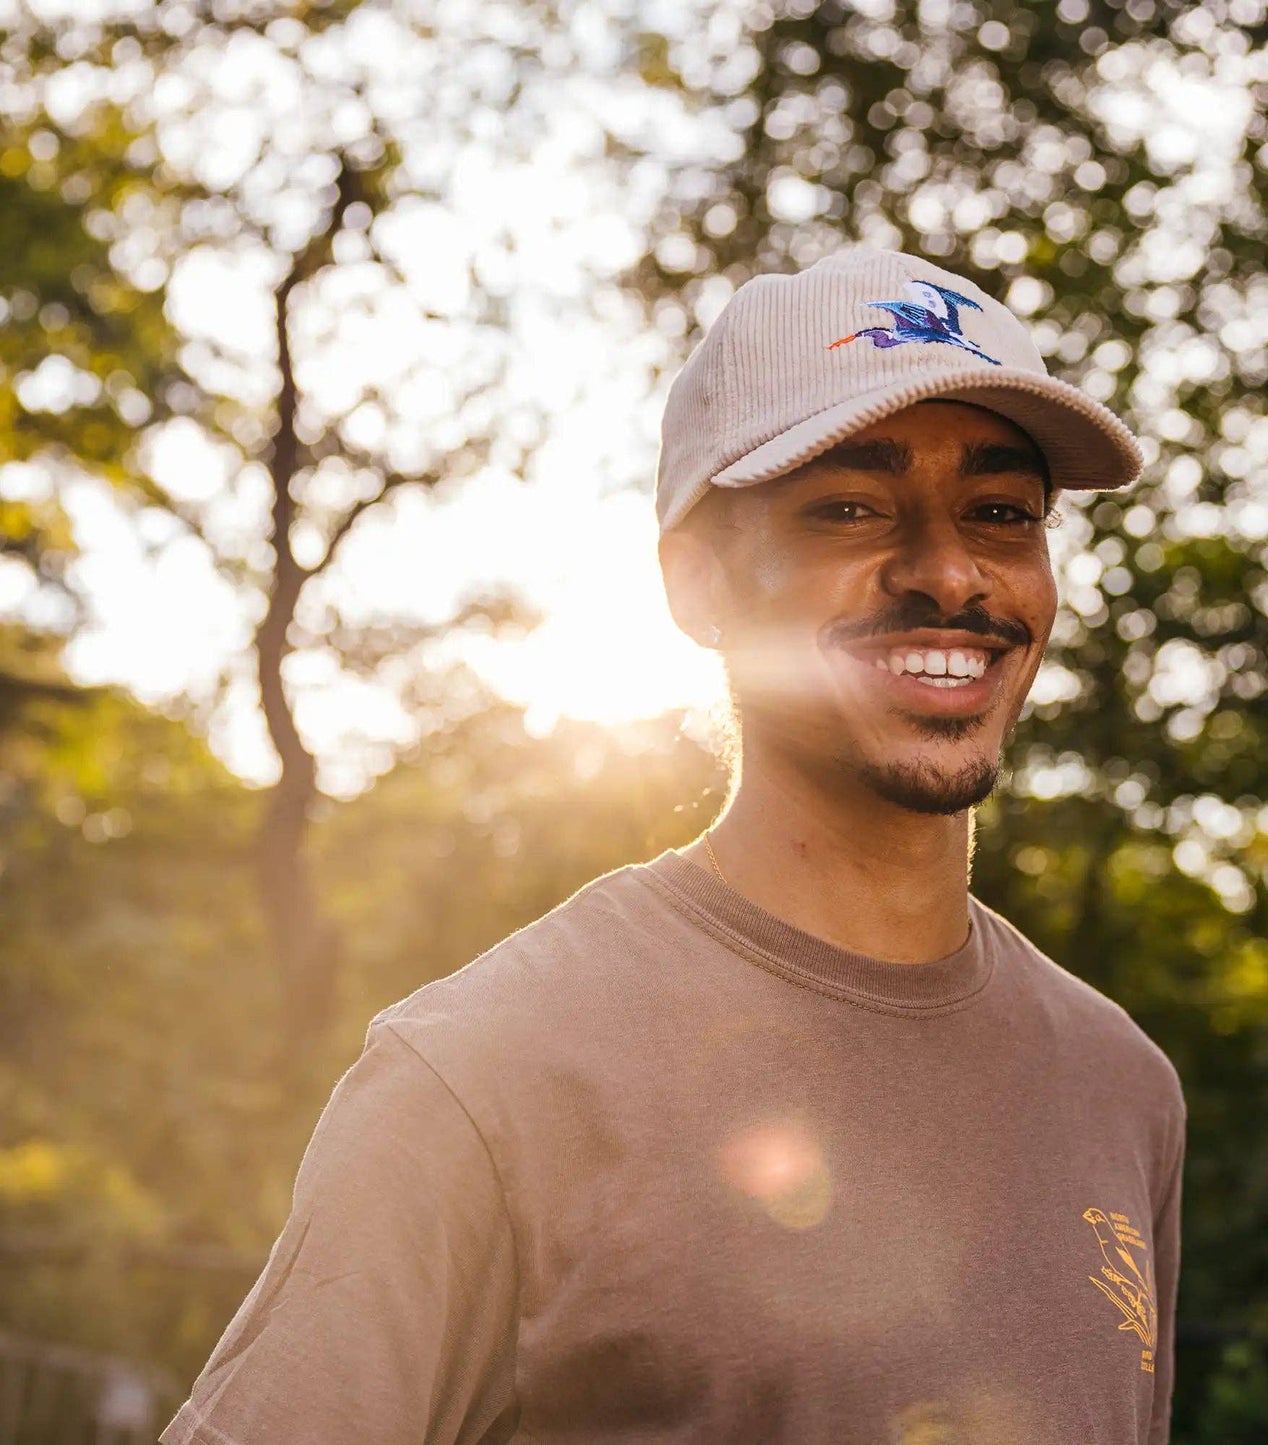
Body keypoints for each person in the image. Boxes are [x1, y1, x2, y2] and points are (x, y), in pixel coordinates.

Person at [162, 248, 1186, 1445]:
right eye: (848, 508)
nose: (947, 572)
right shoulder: (486, 1075)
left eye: (999, 514)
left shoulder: (1121, 1086)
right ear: (696, 582)